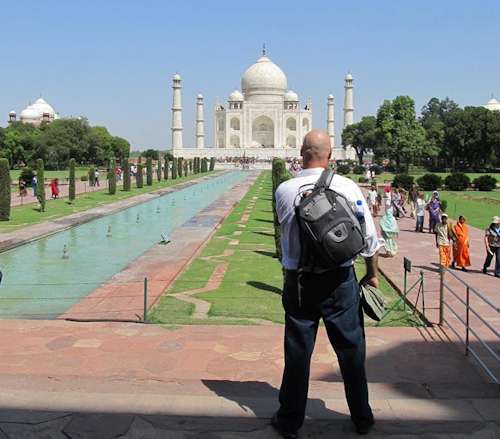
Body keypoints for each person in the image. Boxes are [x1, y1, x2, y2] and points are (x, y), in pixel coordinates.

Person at [274, 129, 379, 437]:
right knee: (351, 352)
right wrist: (371, 273)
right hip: (340, 281)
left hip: (299, 282)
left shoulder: (284, 190)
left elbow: (285, 238)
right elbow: (369, 238)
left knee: (297, 355)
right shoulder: (347, 186)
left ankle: (290, 422)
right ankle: (362, 418)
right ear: (330, 156)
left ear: (300, 154)